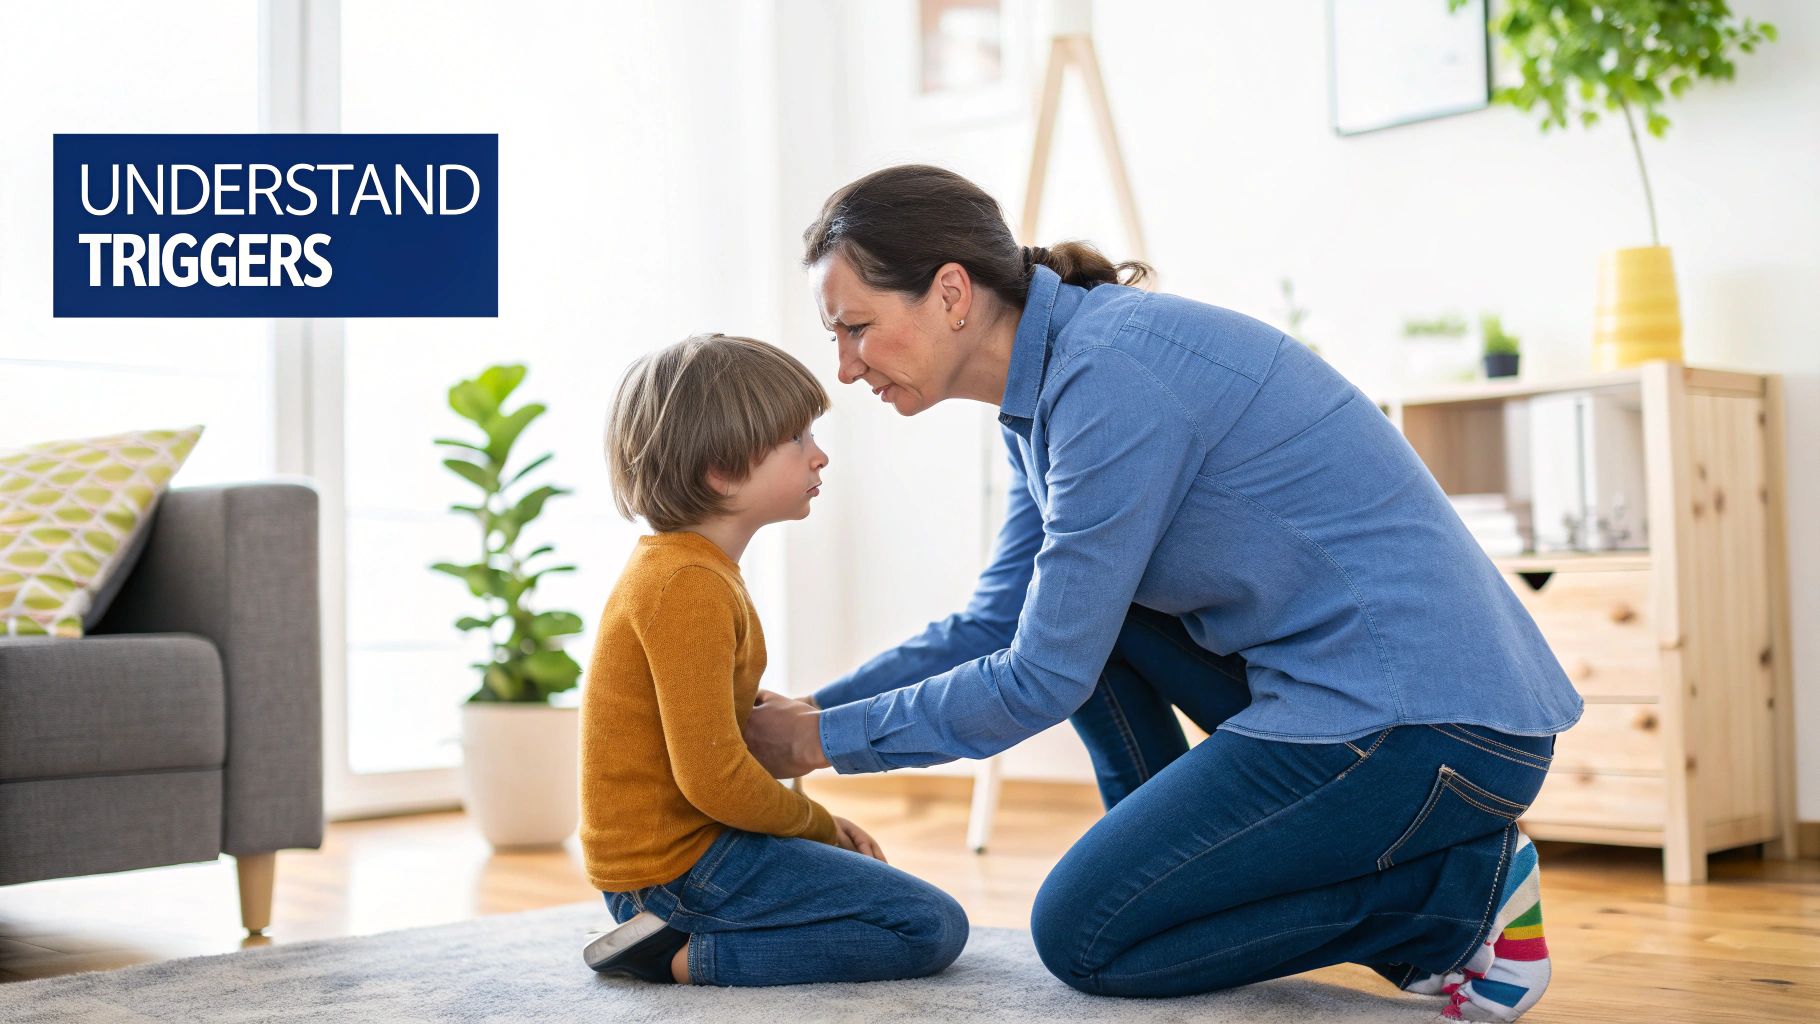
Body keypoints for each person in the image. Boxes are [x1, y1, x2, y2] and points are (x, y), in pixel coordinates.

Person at [742, 166, 1582, 1021]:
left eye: (855, 328)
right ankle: (1173, 874)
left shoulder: (1109, 380)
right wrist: (808, 712)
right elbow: (999, 623)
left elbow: (1039, 676)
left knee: (1085, 934)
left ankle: (1454, 899)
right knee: (1082, 634)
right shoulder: (1050, 394)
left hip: (1430, 730)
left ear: (951, 292)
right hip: (1348, 701)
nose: (844, 368)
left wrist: (815, 744)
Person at [578, 332, 969, 987]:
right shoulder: (687, 585)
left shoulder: (691, 572)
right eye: (798, 440)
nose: (819, 457)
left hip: (684, 859)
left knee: (896, 905)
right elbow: (714, 780)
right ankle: (674, 955)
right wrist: (819, 827)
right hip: (672, 874)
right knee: (929, 928)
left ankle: (687, 935)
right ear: (722, 470)